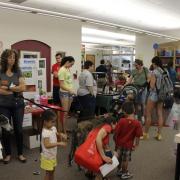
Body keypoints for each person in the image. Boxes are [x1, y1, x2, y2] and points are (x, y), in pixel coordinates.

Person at [0, 49, 26, 164]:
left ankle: (20, 153)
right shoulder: (0, 71)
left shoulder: (18, 71)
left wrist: (8, 88)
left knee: (19, 130)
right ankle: (8, 154)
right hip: (3, 105)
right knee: (5, 130)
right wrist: (15, 89)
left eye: (14, 57)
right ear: (5, 58)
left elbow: (23, 87)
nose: (12, 59)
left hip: (18, 105)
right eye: (10, 57)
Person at [114, 101, 142, 179]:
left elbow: (116, 132)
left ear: (124, 112)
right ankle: (124, 173)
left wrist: (116, 141)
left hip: (119, 143)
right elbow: (138, 135)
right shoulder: (137, 123)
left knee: (118, 157)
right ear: (134, 110)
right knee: (125, 159)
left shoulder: (121, 121)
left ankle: (119, 170)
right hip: (128, 145)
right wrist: (136, 145)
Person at [142, 56, 167, 140]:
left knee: (148, 113)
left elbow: (152, 86)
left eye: (152, 63)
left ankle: (145, 134)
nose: (152, 65)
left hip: (153, 95)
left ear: (154, 63)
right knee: (160, 114)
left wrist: (149, 81)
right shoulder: (165, 71)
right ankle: (159, 135)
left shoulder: (155, 72)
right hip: (162, 95)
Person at [40, 109, 67, 180]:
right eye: (52, 122)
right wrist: (59, 143)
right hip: (47, 157)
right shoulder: (45, 133)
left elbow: (56, 133)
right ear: (45, 121)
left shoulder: (53, 128)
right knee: (48, 173)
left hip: (53, 155)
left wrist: (61, 134)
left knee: (52, 171)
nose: (54, 124)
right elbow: (47, 145)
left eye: (54, 121)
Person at [95, 116, 117, 180]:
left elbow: (103, 141)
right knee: (112, 162)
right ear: (112, 123)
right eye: (116, 124)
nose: (116, 127)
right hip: (101, 152)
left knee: (111, 157)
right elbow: (98, 139)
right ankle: (99, 177)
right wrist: (103, 156)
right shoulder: (108, 127)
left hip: (99, 150)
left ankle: (98, 175)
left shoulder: (102, 126)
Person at [58, 56, 75, 134]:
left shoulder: (67, 69)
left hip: (69, 93)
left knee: (67, 113)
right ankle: (64, 131)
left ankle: (65, 128)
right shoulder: (61, 70)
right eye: (71, 64)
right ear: (67, 62)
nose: (71, 66)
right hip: (64, 93)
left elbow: (68, 82)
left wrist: (71, 90)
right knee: (65, 113)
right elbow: (61, 85)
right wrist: (70, 90)